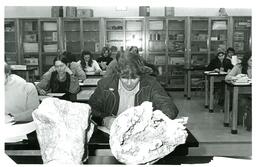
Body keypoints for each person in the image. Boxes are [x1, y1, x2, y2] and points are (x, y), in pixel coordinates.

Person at [88, 51, 179, 129]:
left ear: (140, 75)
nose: (129, 83)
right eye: (124, 78)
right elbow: (90, 109)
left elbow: (170, 109)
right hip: (111, 135)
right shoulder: (105, 84)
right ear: (118, 74)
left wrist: (150, 121)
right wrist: (104, 119)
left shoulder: (151, 84)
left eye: (134, 78)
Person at [225, 53, 252, 131]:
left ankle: (249, 124)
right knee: (243, 102)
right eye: (251, 60)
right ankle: (236, 120)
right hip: (241, 93)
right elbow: (227, 77)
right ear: (246, 60)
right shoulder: (238, 67)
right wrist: (236, 77)